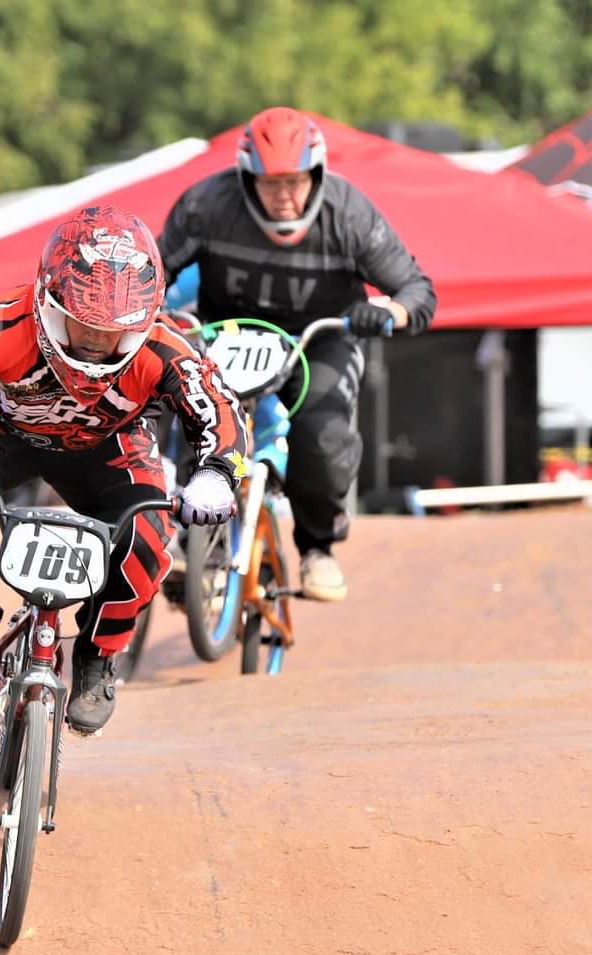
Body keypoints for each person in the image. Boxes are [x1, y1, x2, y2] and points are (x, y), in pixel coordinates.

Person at [0, 205, 251, 735]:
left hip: (104, 443)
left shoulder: (163, 345)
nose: (97, 344)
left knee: (150, 533)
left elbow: (219, 403)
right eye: (83, 324)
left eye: (114, 333)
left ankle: (98, 657)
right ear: (47, 300)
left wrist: (217, 472)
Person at [158, 106, 436, 602]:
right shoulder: (206, 205)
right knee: (191, 408)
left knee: (323, 436)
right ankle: (192, 533)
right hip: (226, 335)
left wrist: (387, 313)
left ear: (316, 175)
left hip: (319, 338)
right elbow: (153, 270)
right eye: (271, 184)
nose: (284, 196)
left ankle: (318, 549)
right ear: (247, 178)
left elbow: (417, 290)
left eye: (295, 182)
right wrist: (151, 309)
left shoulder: (350, 214)